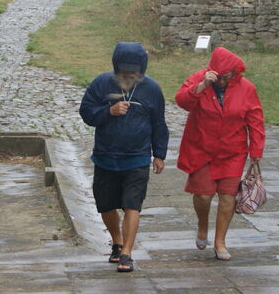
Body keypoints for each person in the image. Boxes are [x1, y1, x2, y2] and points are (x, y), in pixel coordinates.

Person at [79, 42, 169, 273]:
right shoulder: (101, 84)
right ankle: (117, 242)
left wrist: (159, 154)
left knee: (132, 205)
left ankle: (127, 253)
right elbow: (87, 113)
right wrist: (108, 111)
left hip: (137, 157)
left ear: (143, 68)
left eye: (134, 70)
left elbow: (159, 123)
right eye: (125, 70)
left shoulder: (152, 89)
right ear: (116, 66)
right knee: (106, 205)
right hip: (106, 156)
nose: (129, 74)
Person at [175, 47, 264, 261]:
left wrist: (256, 150)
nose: (222, 80)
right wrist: (202, 85)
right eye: (219, 76)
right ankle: (202, 225)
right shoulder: (199, 79)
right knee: (203, 195)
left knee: (227, 196)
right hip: (201, 147)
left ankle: (220, 242)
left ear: (234, 73)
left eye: (227, 76)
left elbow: (255, 119)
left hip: (232, 151)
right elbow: (182, 102)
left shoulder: (246, 88)